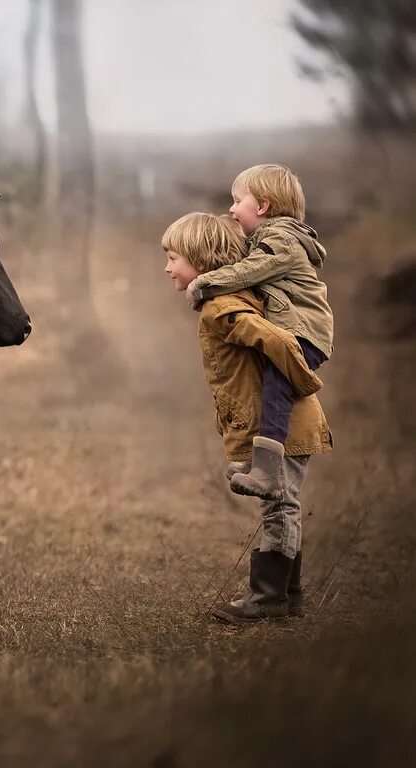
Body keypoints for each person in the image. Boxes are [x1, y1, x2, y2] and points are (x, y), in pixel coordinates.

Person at [162, 212, 333, 623]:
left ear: (201, 261)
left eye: (173, 258)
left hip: (284, 426)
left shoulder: (221, 308)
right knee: (282, 504)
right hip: (278, 425)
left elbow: (274, 339)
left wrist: (301, 376)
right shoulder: (222, 304)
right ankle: (285, 596)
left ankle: (269, 598)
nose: (167, 267)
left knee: (278, 507)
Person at [185, 164, 333, 501]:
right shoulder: (269, 240)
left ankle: (266, 471)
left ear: (263, 206)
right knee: (263, 386)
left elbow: (251, 270)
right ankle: (256, 458)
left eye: (238, 201)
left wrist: (204, 284)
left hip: (303, 333)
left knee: (276, 386)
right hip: (295, 329)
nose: (232, 209)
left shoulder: (279, 240)